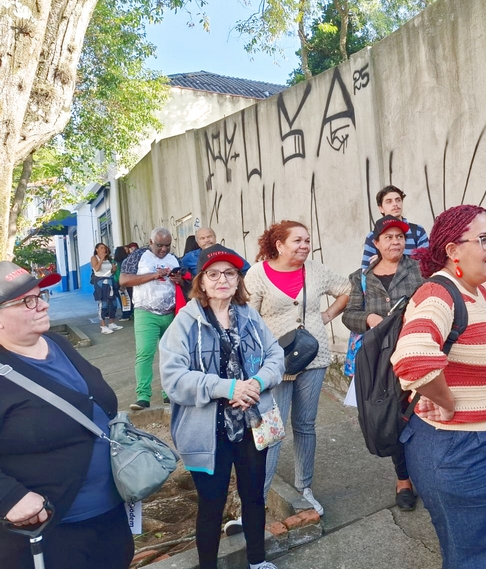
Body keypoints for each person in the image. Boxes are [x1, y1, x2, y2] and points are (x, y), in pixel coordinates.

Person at [390, 204, 486, 569]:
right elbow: (412, 360)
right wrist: (446, 401)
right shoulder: (438, 295)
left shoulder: (482, 292)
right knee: (478, 557)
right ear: (453, 250)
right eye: (484, 239)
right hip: (460, 448)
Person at [0, 261, 135, 569]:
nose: (42, 305)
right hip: (51, 532)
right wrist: (8, 497)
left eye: (40, 295)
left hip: (111, 515)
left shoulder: (58, 343)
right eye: (27, 301)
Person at [159, 244, 284, 569]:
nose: (222, 280)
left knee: (253, 496)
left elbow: (275, 355)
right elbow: (173, 379)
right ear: (200, 281)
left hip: (251, 424)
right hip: (207, 431)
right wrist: (227, 388)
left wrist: (256, 383)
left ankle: (257, 561)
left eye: (229, 273)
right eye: (213, 274)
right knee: (211, 504)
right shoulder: (185, 323)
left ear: (238, 279)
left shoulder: (249, 316)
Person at [243, 220, 349, 517]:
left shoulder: (315, 270)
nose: (304, 246)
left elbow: (347, 289)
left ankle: (305, 488)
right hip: (274, 363)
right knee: (272, 428)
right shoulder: (257, 274)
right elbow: (247, 318)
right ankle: (257, 499)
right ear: (279, 245)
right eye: (297, 240)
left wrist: (326, 315)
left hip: (314, 357)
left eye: (307, 240)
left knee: (305, 425)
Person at [342, 215, 425, 511]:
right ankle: (403, 479)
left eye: (400, 237)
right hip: (382, 362)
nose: (395, 242)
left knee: (423, 413)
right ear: (376, 243)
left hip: (418, 352)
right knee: (392, 416)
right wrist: (369, 318)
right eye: (388, 237)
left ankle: (426, 474)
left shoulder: (420, 268)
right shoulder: (361, 278)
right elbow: (349, 314)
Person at [120, 227, 182, 410]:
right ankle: (143, 396)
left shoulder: (174, 259)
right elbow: (124, 280)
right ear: (150, 242)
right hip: (146, 313)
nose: (164, 249)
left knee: (171, 355)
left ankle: (169, 393)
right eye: (159, 245)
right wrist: (154, 275)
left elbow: (184, 282)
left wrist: (179, 279)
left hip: (170, 313)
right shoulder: (138, 256)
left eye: (167, 245)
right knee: (145, 353)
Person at [360, 185, 428, 269]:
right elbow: (365, 271)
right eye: (389, 201)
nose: (395, 204)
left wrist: (385, 261)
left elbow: (425, 265)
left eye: (398, 200)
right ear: (381, 208)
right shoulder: (372, 237)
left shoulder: (418, 231)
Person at [182, 228, 251, 277]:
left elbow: (247, 270)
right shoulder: (190, 257)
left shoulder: (228, 252)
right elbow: (182, 275)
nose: (207, 240)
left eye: (209, 236)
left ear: (215, 238)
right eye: (202, 238)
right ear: (198, 243)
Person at [90, 243, 122, 335]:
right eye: (101, 248)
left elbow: (109, 271)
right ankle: (103, 326)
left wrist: (113, 270)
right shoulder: (94, 258)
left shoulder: (108, 259)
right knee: (103, 304)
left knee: (113, 303)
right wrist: (101, 259)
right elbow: (96, 269)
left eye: (104, 248)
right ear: (97, 249)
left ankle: (111, 323)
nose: (103, 249)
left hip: (110, 281)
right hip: (101, 282)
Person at [113, 246, 133, 321]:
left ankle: (125, 315)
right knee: (129, 298)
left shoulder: (115, 262)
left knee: (123, 299)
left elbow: (115, 273)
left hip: (119, 282)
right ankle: (129, 313)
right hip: (128, 281)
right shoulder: (127, 260)